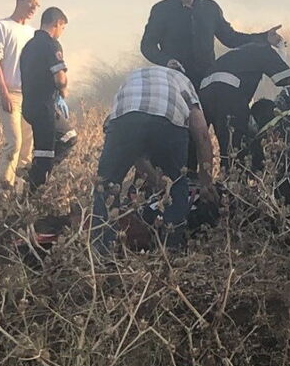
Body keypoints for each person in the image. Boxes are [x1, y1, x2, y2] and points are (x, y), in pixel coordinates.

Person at [91, 66, 217, 255]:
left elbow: (134, 151)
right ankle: (170, 251)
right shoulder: (183, 81)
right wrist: (206, 183)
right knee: (176, 185)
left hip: (123, 119)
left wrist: (155, 180)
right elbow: (202, 136)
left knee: (105, 186)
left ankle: (103, 254)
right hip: (168, 119)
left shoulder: (133, 76)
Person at [140, 0, 284, 89]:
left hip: (207, 81)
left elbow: (231, 38)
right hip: (175, 81)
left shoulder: (210, 8)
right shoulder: (161, 10)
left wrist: (265, 38)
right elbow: (147, 45)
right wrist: (166, 61)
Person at [199, 42, 290, 159]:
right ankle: (234, 173)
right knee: (235, 149)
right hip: (228, 92)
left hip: (204, 91)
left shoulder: (236, 54)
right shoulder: (265, 50)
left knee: (210, 143)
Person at [0, 0, 40, 194]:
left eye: (37, 5)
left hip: (30, 95)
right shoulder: (1, 26)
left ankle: (19, 194)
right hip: (11, 94)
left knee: (27, 147)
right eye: (31, 3)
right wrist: (3, 92)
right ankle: (1, 194)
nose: (34, 8)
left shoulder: (33, 33)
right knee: (14, 143)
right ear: (20, 1)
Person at [20, 7, 69, 189]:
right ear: (58, 23)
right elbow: (60, 78)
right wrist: (63, 90)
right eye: (62, 28)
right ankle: (34, 189)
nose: (61, 33)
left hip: (29, 105)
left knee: (66, 137)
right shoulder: (51, 44)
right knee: (46, 154)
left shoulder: (28, 46)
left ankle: (34, 171)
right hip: (45, 107)